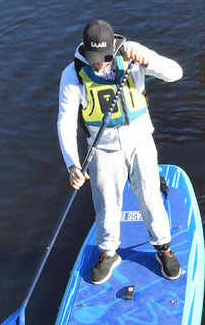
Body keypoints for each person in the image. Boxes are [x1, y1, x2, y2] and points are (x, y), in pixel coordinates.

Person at [57, 19, 184, 284]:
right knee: (105, 203)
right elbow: (65, 122)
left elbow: (175, 73)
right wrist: (72, 163)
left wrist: (149, 61)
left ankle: (163, 248)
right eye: (93, 57)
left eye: (103, 57)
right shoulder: (73, 73)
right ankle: (108, 252)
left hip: (139, 143)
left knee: (150, 194)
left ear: (113, 45)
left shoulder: (132, 54)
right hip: (102, 150)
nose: (99, 63)